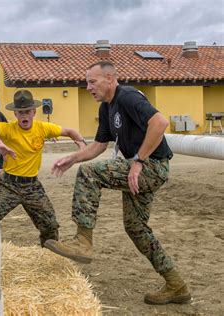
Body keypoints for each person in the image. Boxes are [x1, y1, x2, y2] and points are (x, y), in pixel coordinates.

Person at [44, 61, 191, 305]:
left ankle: (83, 241)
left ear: (111, 79)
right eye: (86, 82)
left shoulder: (128, 96)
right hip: (142, 170)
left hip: (152, 167)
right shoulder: (106, 108)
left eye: (93, 81)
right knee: (136, 228)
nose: (88, 86)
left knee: (89, 173)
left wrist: (138, 161)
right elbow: (99, 145)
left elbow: (160, 123)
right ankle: (177, 284)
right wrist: (73, 157)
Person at [0, 90, 86, 247]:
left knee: (50, 225)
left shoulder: (42, 128)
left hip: (32, 187)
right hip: (10, 186)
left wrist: (81, 142)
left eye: (27, 111)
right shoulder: (8, 129)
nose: (24, 116)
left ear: (34, 112)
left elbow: (69, 131)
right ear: (15, 114)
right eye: (20, 112)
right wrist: (0, 143)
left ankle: (49, 254)